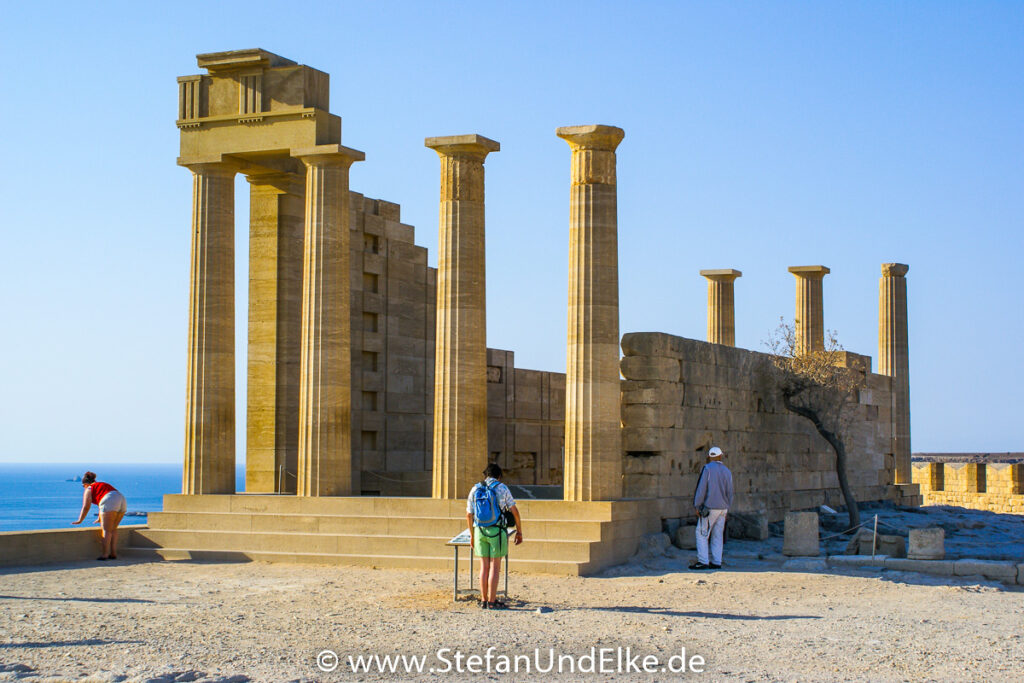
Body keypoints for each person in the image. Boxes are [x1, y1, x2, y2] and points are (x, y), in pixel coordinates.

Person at [466, 463, 523, 609]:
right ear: (499, 476)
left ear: (485, 475)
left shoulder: (475, 488)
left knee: (483, 567)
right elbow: (514, 510)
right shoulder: (502, 488)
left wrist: (472, 535)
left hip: (479, 530)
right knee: (495, 567)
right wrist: (519, 531)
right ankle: (492, 601)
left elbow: (469, 514)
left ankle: (484, 600)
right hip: (497, 530)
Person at [690, 446, 733, 570]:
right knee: (718, 535)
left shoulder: (707, 469)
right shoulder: (727, 471)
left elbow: (701, 488)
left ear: (710, 457)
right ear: (720, 456)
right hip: (723, 508)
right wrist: (727, 507)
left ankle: (703, 561)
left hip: (710, 507)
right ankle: (717, 561)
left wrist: (697, 505)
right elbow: (730, 492)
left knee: (702, 533)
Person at [71, 471, 127, 560]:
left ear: (85, 484)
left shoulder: (89, 488)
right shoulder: (101, 485)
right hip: (121, 498)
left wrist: (80, 520)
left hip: (110, 499)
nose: (83, 488)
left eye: (83, 486)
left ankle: (105, 554)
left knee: (106, 530)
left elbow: (86, 507)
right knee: (113, 529)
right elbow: (103, 503)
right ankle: (113, 553)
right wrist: (99, 518)